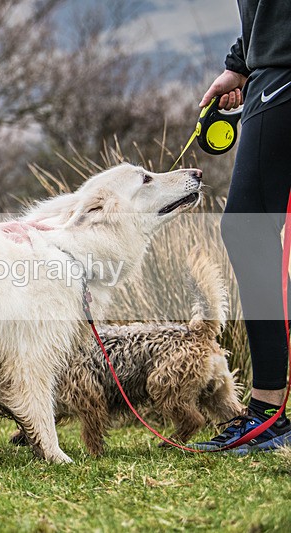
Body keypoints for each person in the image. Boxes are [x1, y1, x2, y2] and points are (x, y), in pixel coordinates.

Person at [194, 1, 291, 452]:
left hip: (283, 72)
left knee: (247, 228)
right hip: (270, 68)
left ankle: (269, 413)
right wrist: (241, 63)